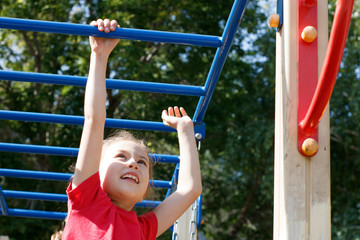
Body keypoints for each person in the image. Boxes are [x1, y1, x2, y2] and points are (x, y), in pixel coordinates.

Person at [61, 19, 202, 239]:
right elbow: (94, 119)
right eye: (121, 156)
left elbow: (189, 191)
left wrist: (185, 130)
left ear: (146, 188)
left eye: (142, 162)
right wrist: (99, 55)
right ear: (95, 174)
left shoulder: (143, 229)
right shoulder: (85, 201)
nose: (133, 164)